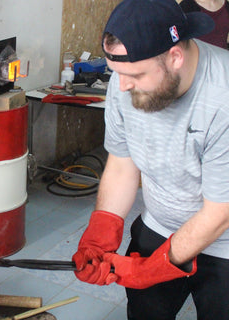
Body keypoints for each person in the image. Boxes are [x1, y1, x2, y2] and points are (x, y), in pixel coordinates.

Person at [72, 0, 229, 319]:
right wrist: (102, 228)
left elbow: (219, 214)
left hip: (224, 245)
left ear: (175, 57)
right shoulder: (125, 78)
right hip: (159, 226)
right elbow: (121, 164)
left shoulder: (222, 97)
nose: (122, 86)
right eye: (118, 73)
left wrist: (149, 270)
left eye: (135, 76)